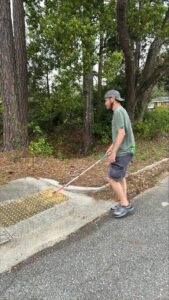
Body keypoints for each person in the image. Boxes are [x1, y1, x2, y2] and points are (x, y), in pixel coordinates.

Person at [104, 89, 136, 218]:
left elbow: (122, 133)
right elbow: (121, 133)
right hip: (128, 149)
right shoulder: (122, 110)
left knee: (112, 179)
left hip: (123, 152)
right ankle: (124, 201)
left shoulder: (117, 112)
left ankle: (125, 205)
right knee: (120, 177)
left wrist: (114, 153)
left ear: (112, 99)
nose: (105, 103)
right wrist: (111, 147)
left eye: (106, 100)